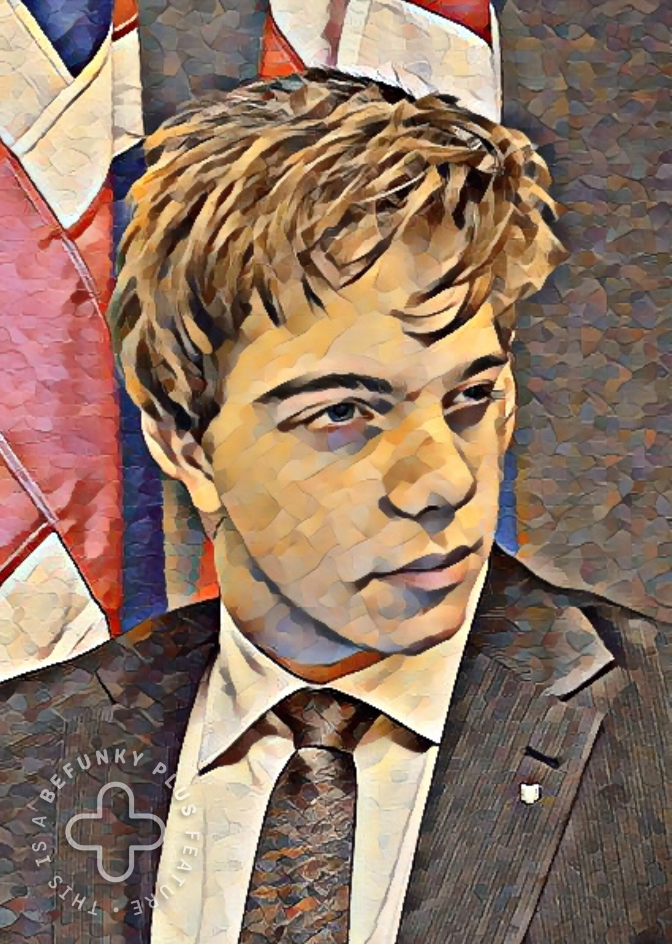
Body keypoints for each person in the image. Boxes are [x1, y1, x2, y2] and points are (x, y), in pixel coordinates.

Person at [0, 70, 668, 944]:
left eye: (470, 396)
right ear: (186, 443)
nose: (443, 482)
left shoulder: (654, 726)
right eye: (344, 413)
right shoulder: (24, 753)